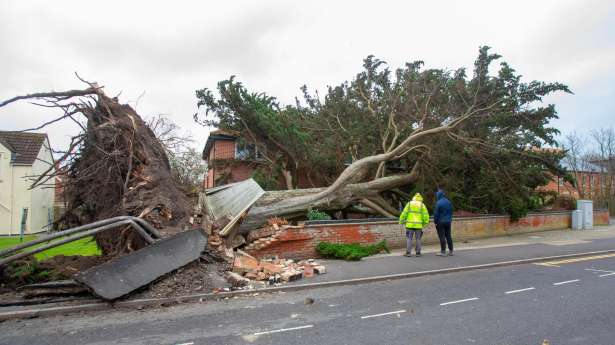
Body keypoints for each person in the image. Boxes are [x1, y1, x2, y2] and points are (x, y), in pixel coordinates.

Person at [399, 193, 430, 257]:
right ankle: (418, 253)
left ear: (414, 197)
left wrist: (401, 220)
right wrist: (424, 223)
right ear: (420, 198)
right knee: (418, 239)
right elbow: (426, 215)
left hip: (409, 225)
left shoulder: (409, 204)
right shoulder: (422, 205)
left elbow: (404, 213)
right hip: (418, 226)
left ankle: (408, 253)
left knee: (409, 239)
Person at [434, 189, 454, 256]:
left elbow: (436, 214)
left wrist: (435, 222)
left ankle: (443, 251)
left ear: (438, 195)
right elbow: (451, 211)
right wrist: (450, 219)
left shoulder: (438, 203)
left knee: (442, 236)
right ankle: (451, 251)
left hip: (441, 222)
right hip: (448, 221)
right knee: (448, 236)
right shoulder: (449, 202)